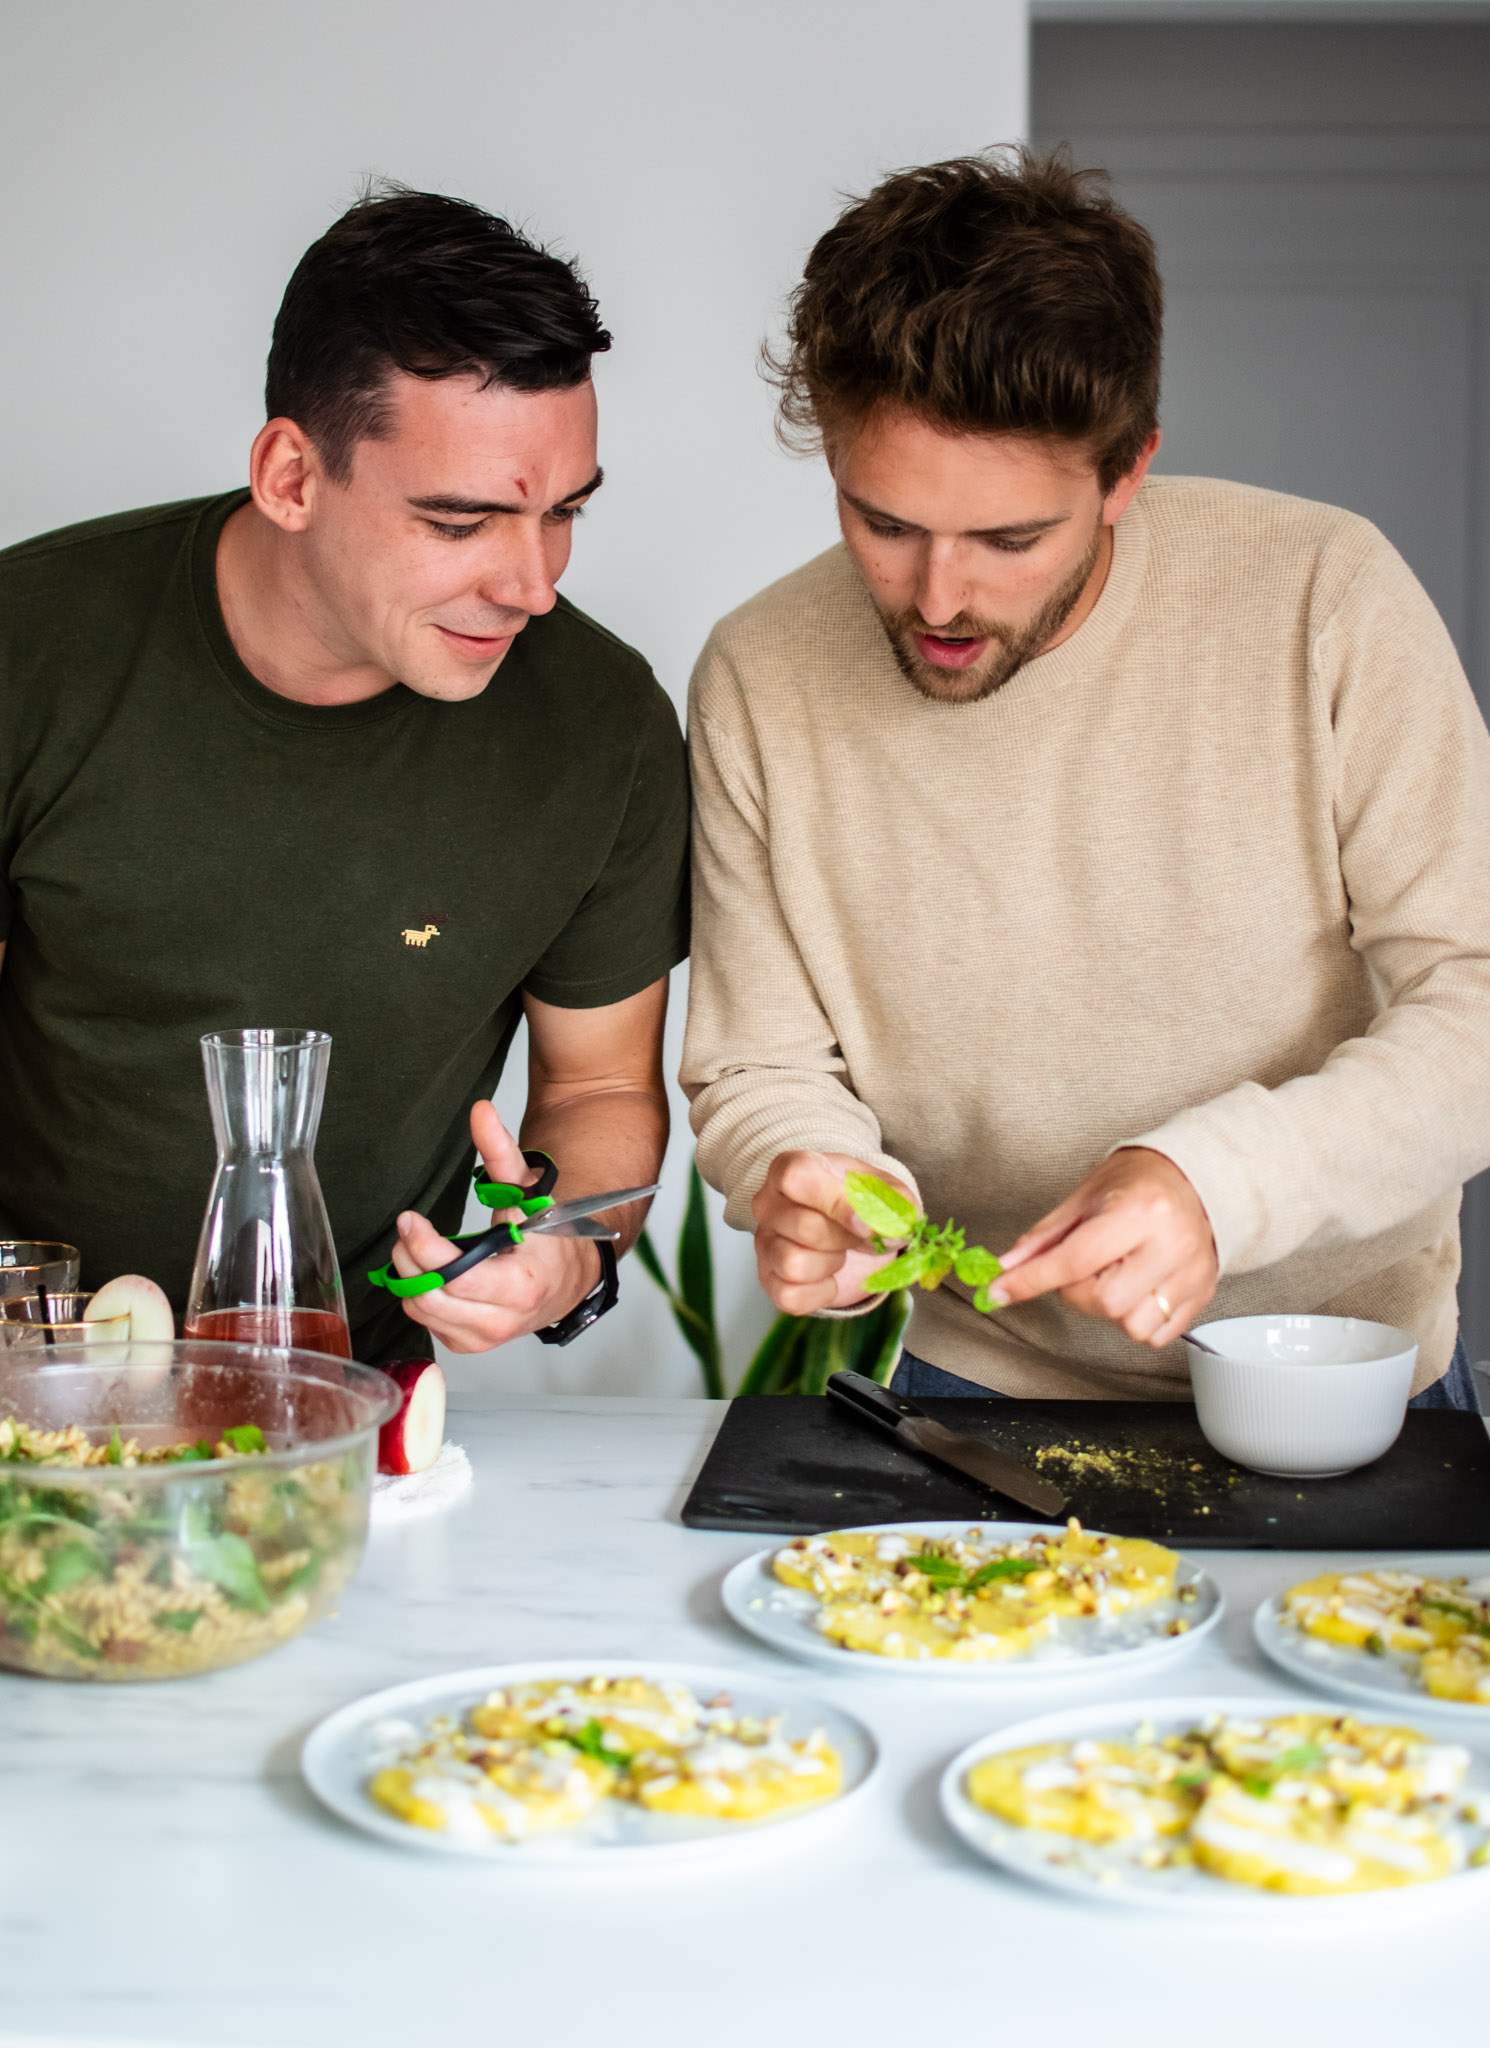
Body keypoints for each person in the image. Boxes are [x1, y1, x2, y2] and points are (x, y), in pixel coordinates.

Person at [682, 149, 1490, 1406]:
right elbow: (757, 1064)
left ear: (1127, 471)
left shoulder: (1325, 594)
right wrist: (807, 1168)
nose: (934, 598)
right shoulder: (757, 672)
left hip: (1332, 1371)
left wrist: (1217, 1184)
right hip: (978, 1375)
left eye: (1009, 539)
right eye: (881, 523)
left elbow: (1476, 1003)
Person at [0, 187, 688, 1362]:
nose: (531, 584)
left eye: (562, 512)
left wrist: (565, 1246)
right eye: (462, 522)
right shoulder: (30, 646)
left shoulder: (601, 723)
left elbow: (601, 1090)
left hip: (346, 1398)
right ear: (290, 475)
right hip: (29, 1377)